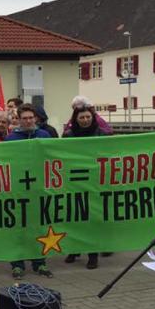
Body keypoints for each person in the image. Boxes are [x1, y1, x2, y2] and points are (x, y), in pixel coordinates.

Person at [5, 104, 53, 278]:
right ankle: (17, 264)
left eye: (30, 117)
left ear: (36, 118)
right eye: (24, 118)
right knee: (18, 229)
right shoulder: (11, 139)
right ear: (19, 120)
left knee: (39, 228)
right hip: (18, 191)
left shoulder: (44, 136)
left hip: (38, 190)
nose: (28, 121)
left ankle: (39, 263)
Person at [62, 107, 110, 269]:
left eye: (88, 117)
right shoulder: (68, 136)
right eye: (81, 117)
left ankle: (92, 254)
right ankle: (74, 250)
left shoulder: (102, 134)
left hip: (94, 182)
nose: (85, 120)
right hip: (74, 181)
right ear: (76, 119)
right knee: (74, 218)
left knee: (91, 219)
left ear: (93, 117)